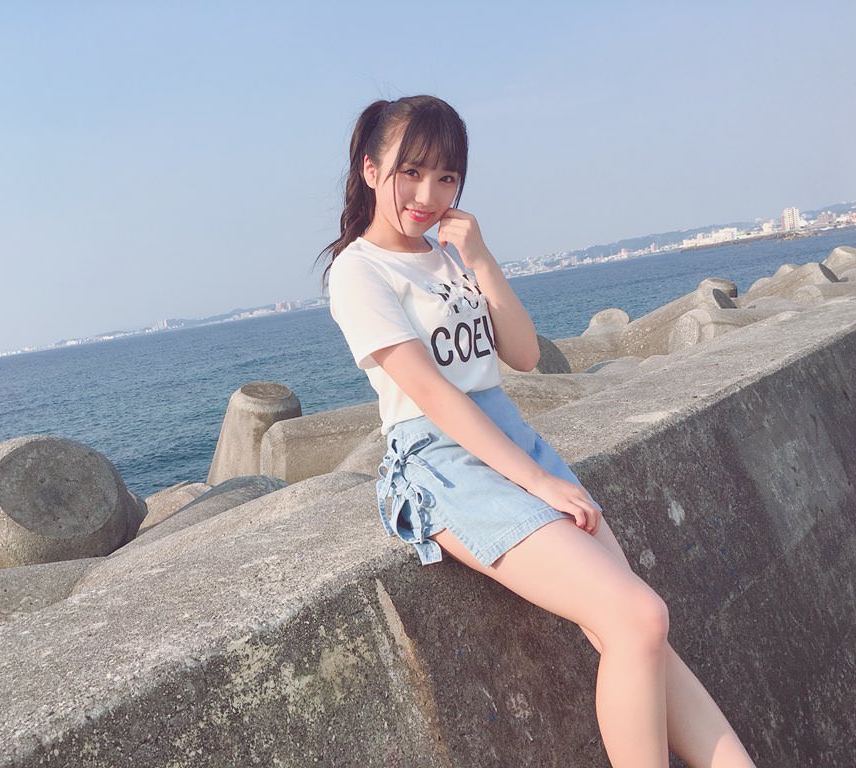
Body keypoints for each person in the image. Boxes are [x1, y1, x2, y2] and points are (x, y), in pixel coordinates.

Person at [320, 95, 756, 768]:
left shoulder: (447, 253)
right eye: (411, 172)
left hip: (508, 434)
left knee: (637, 629)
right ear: (371, 170)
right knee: (636, 618)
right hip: (440, 460)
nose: (428, 194)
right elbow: (430, 393)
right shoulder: (359, 271)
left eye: (446, 176)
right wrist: (537, 480)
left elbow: (523, 354)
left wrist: (480, 257)